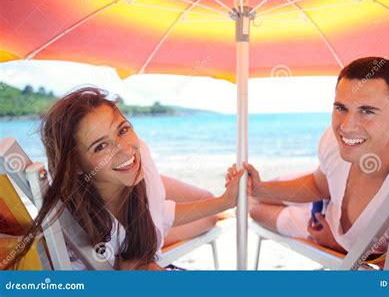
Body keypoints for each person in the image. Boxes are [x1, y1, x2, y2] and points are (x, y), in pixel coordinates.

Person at [6, 87, 244, 270]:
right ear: (77, 166)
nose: (124, 148)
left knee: (208, 206)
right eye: (101, 147)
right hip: (129, 189)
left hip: (137, 181)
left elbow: (159, 212)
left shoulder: (139, 155)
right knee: (209, 216)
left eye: (122, 129)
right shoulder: (79, 236)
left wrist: (226, 200)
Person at [227, 57, 389, 255]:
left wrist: (335, 244)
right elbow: (319, 187)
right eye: (340, 108)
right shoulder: (334, 141)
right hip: (327, 207)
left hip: (326, 231)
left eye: (366, 111)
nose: (346, 126)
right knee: (250, 196)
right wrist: (259, 187)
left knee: (254, 210)